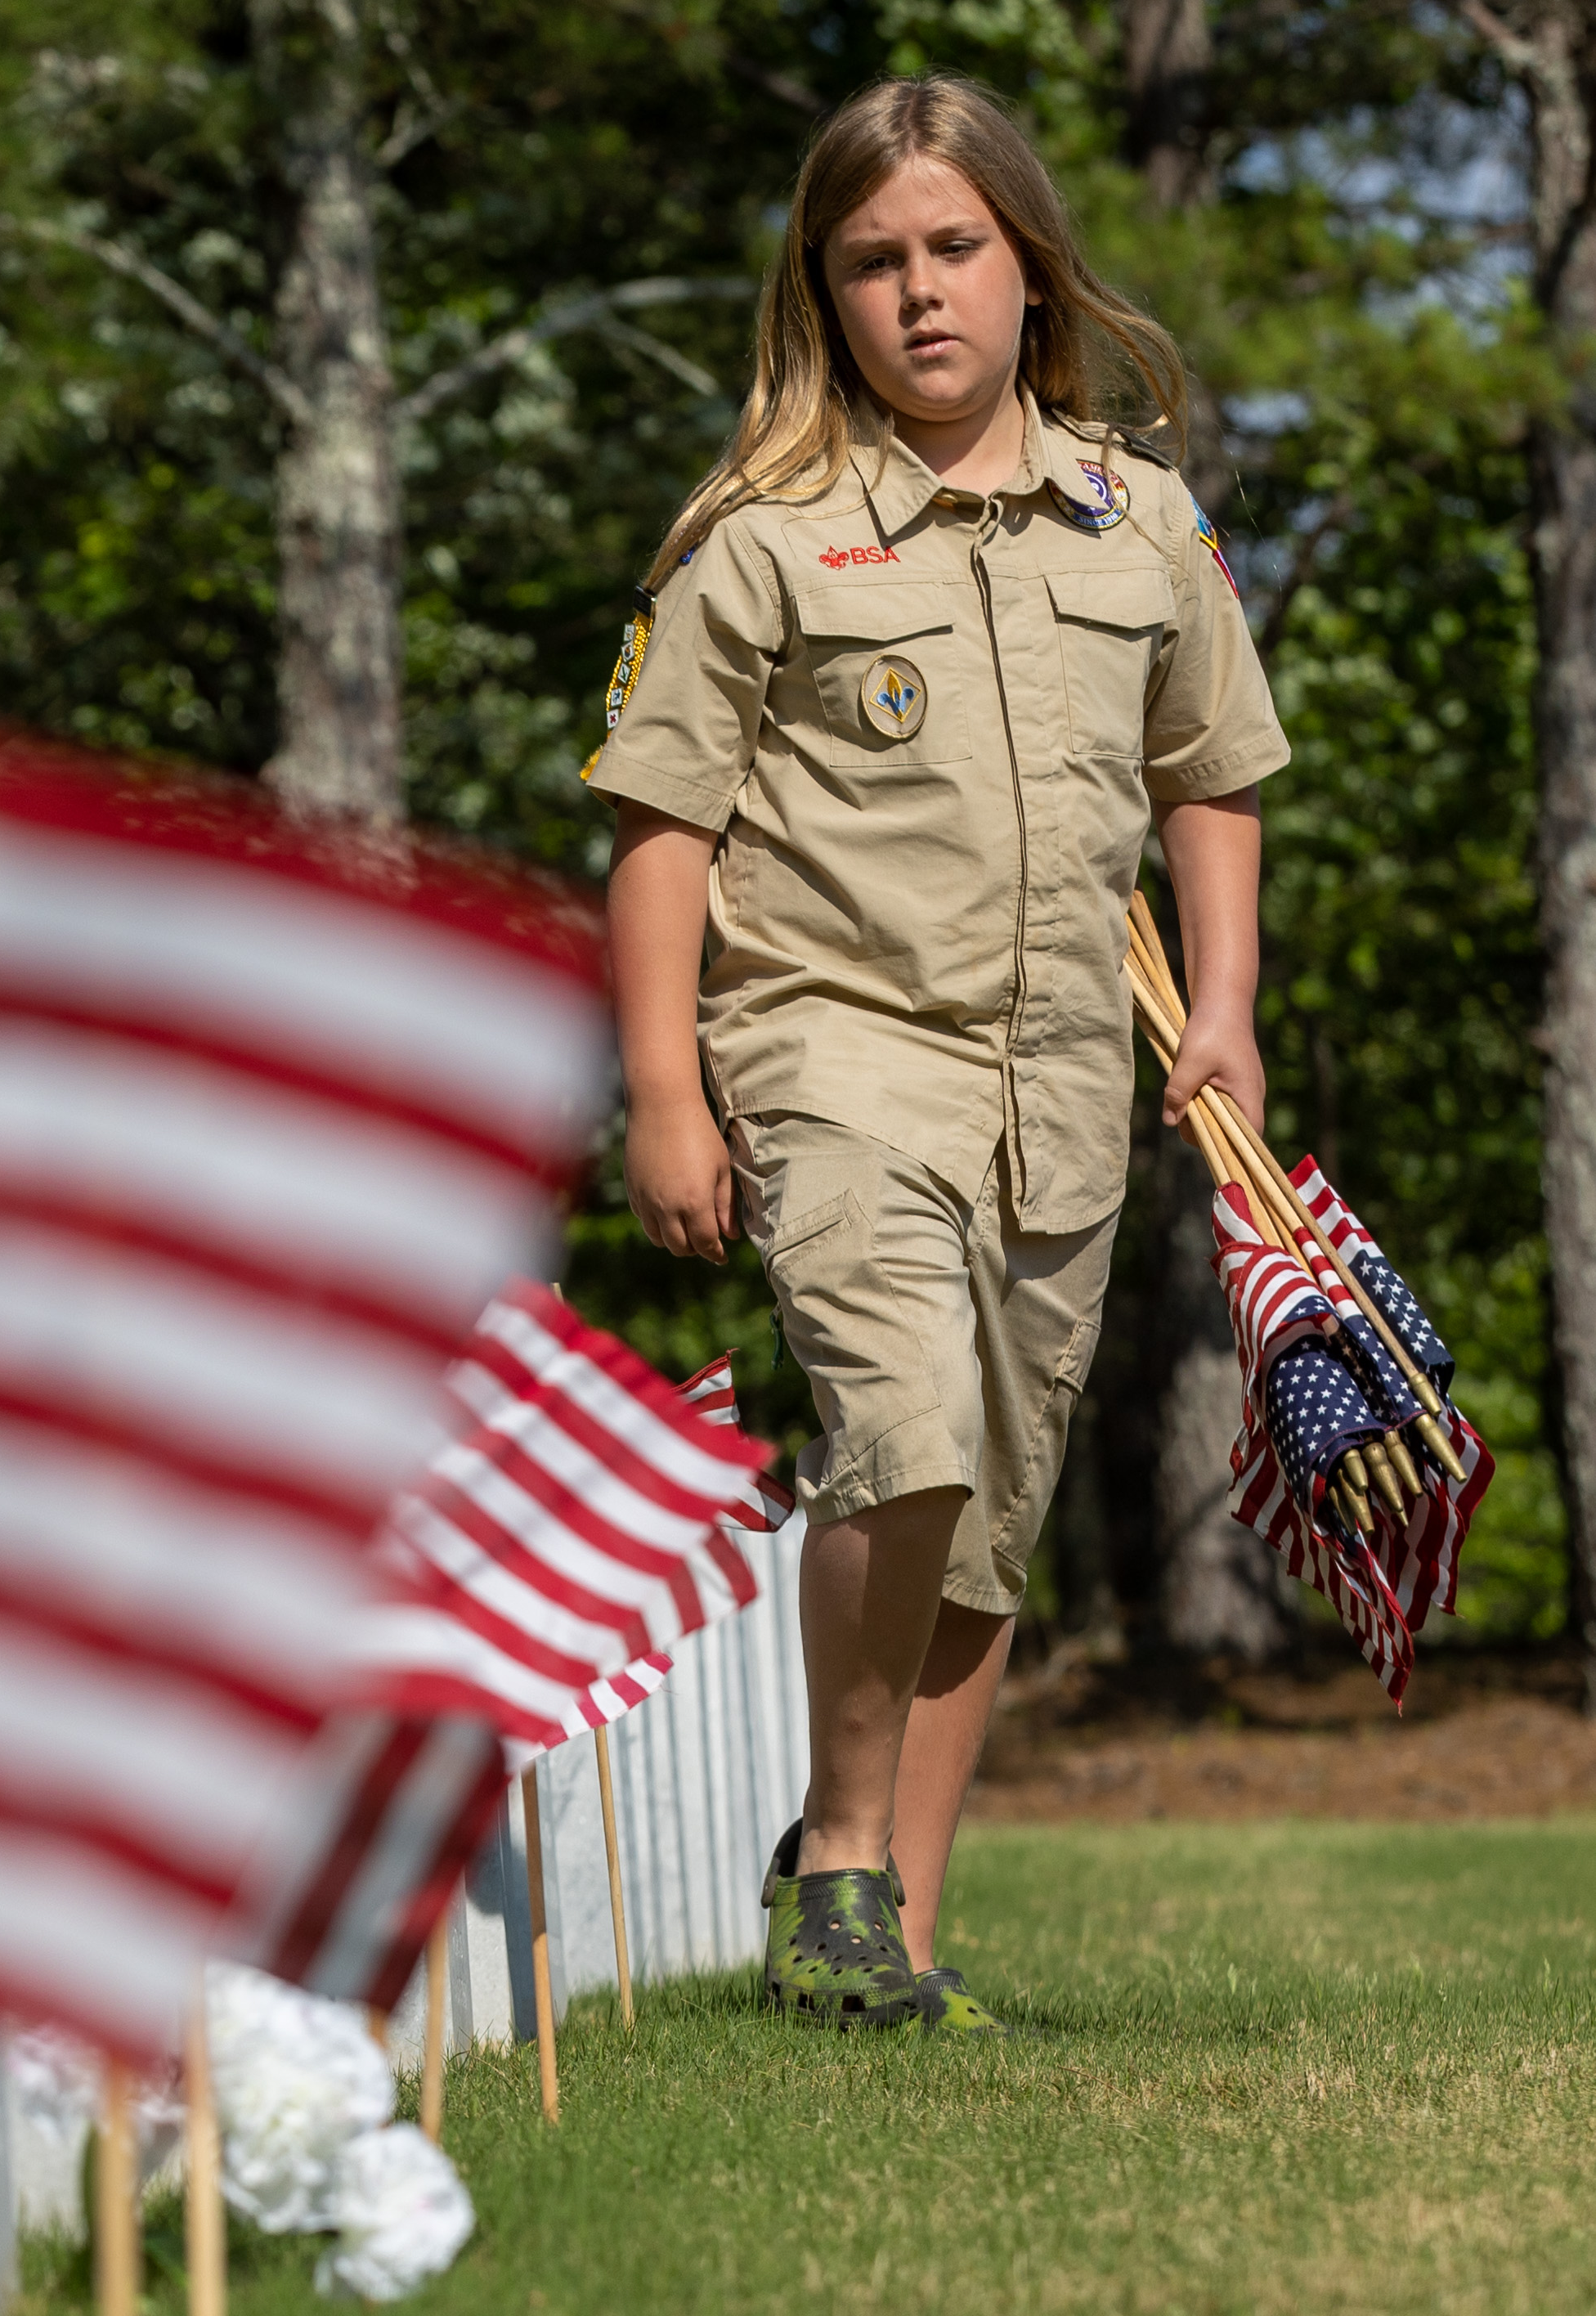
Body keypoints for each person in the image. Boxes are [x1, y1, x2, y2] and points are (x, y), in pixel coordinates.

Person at [584, 74, 1282, 2032]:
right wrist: (665, 1089)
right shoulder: (758, 536)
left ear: (1025, 266)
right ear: (822, 291)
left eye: (950, 249)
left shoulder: (1134, 516)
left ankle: (888, 1931)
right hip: (830, 1044)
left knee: (984, 1516)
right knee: (903, 1427)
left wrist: (1217, 1005)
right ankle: (833, 1854)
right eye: (869, 260)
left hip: (1061, 1074)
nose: (915, 296)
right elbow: (659, 821)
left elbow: (1211, 769)